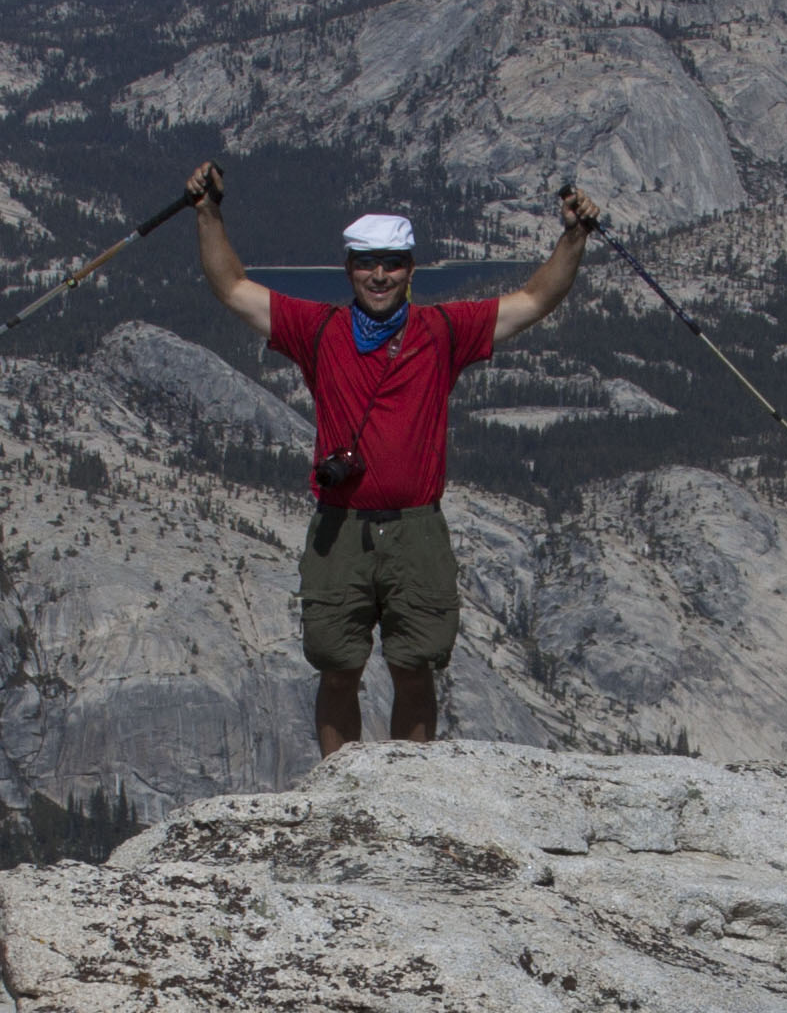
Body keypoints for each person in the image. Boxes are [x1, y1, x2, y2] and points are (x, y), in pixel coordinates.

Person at [185, 162, 596, 757]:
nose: (379, 275)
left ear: (410, 270)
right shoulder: (318, 330)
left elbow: (534, 299)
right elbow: (232, 287)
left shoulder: (443, 331)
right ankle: (340, 788)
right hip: (340, 529)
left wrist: (574, 236)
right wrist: (208, 212)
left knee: (414, 666)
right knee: (337, 667)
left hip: (416, 530)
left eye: (392, 264)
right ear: (348, 269)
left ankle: (409, 788)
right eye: (366, 263)